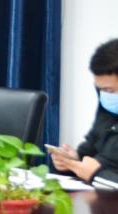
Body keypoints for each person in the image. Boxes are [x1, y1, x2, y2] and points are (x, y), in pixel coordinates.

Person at [50, 38, 118, 184]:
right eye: (100, 89)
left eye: (109, 90)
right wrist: (73, 160)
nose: (104, 96)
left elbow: (95, 171)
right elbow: (91, 147)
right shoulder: (108, 110)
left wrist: (96, 175)